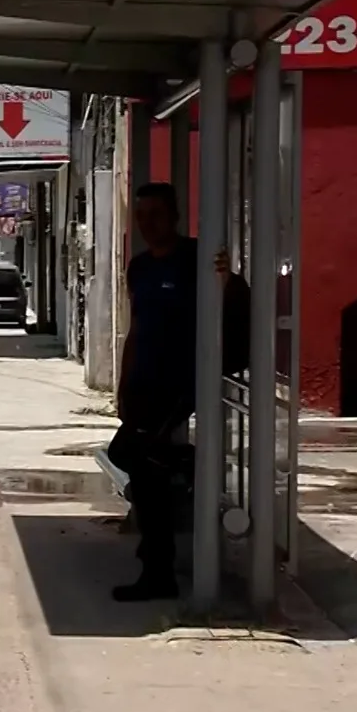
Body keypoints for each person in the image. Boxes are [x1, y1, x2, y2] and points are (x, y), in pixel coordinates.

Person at [110, 182, 249, 602]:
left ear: (173, 216)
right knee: (126, 456)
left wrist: (224, 280)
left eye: (155, 215)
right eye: (141, 217)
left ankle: (157, 570)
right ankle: (184, 468)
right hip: (144, 384)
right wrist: (123, 383)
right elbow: (136, 329)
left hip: (182, 383)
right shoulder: (140, 268)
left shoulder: (197, 258)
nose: (148, 224)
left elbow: (234, 302)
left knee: (146, 470)